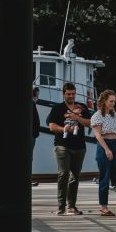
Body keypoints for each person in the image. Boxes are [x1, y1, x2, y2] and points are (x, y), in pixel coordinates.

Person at [45, 82, 88, 215]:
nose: (71, 96)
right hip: (62, 145)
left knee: (75, 176)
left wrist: (77, 118)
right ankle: (61, 206)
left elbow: (90, 123)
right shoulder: (57, 108)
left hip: (79, 146)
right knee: (63, 174)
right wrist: (64, 129)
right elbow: (51, 126)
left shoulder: (82, 107)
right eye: (69, 94)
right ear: (64, 94)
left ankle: (71, 206)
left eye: (73, 94)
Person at [91, 89, 116, 215]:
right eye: (111, 101)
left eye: (114, 101)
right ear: (104, 101)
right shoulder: (97, 116)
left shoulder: (114, 114)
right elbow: (98, 135)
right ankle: (104, 207)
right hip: (104, 145)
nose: (113, 103)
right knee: (105, 177)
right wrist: (107, 149)